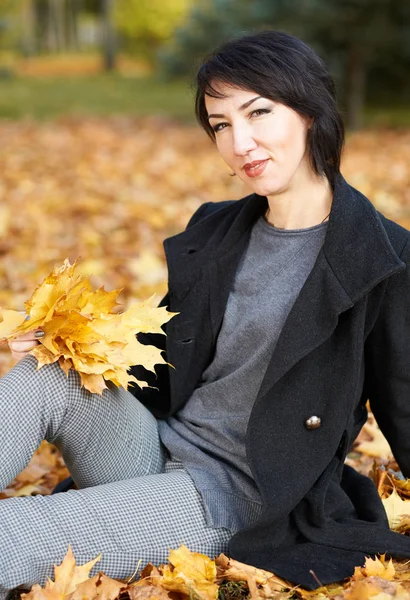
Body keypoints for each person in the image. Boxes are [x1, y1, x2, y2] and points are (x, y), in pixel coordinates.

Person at [1, 29, 410, 597]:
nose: (240, 142)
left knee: (11, 535)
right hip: (154, 446)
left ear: (310, 112)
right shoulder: (218, 230)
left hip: (234, 495)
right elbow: (162, 363)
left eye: (259, 112)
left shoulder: (382, 260)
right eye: (221, 125)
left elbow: (406, 405)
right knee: (51, 371)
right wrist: (71, 342)